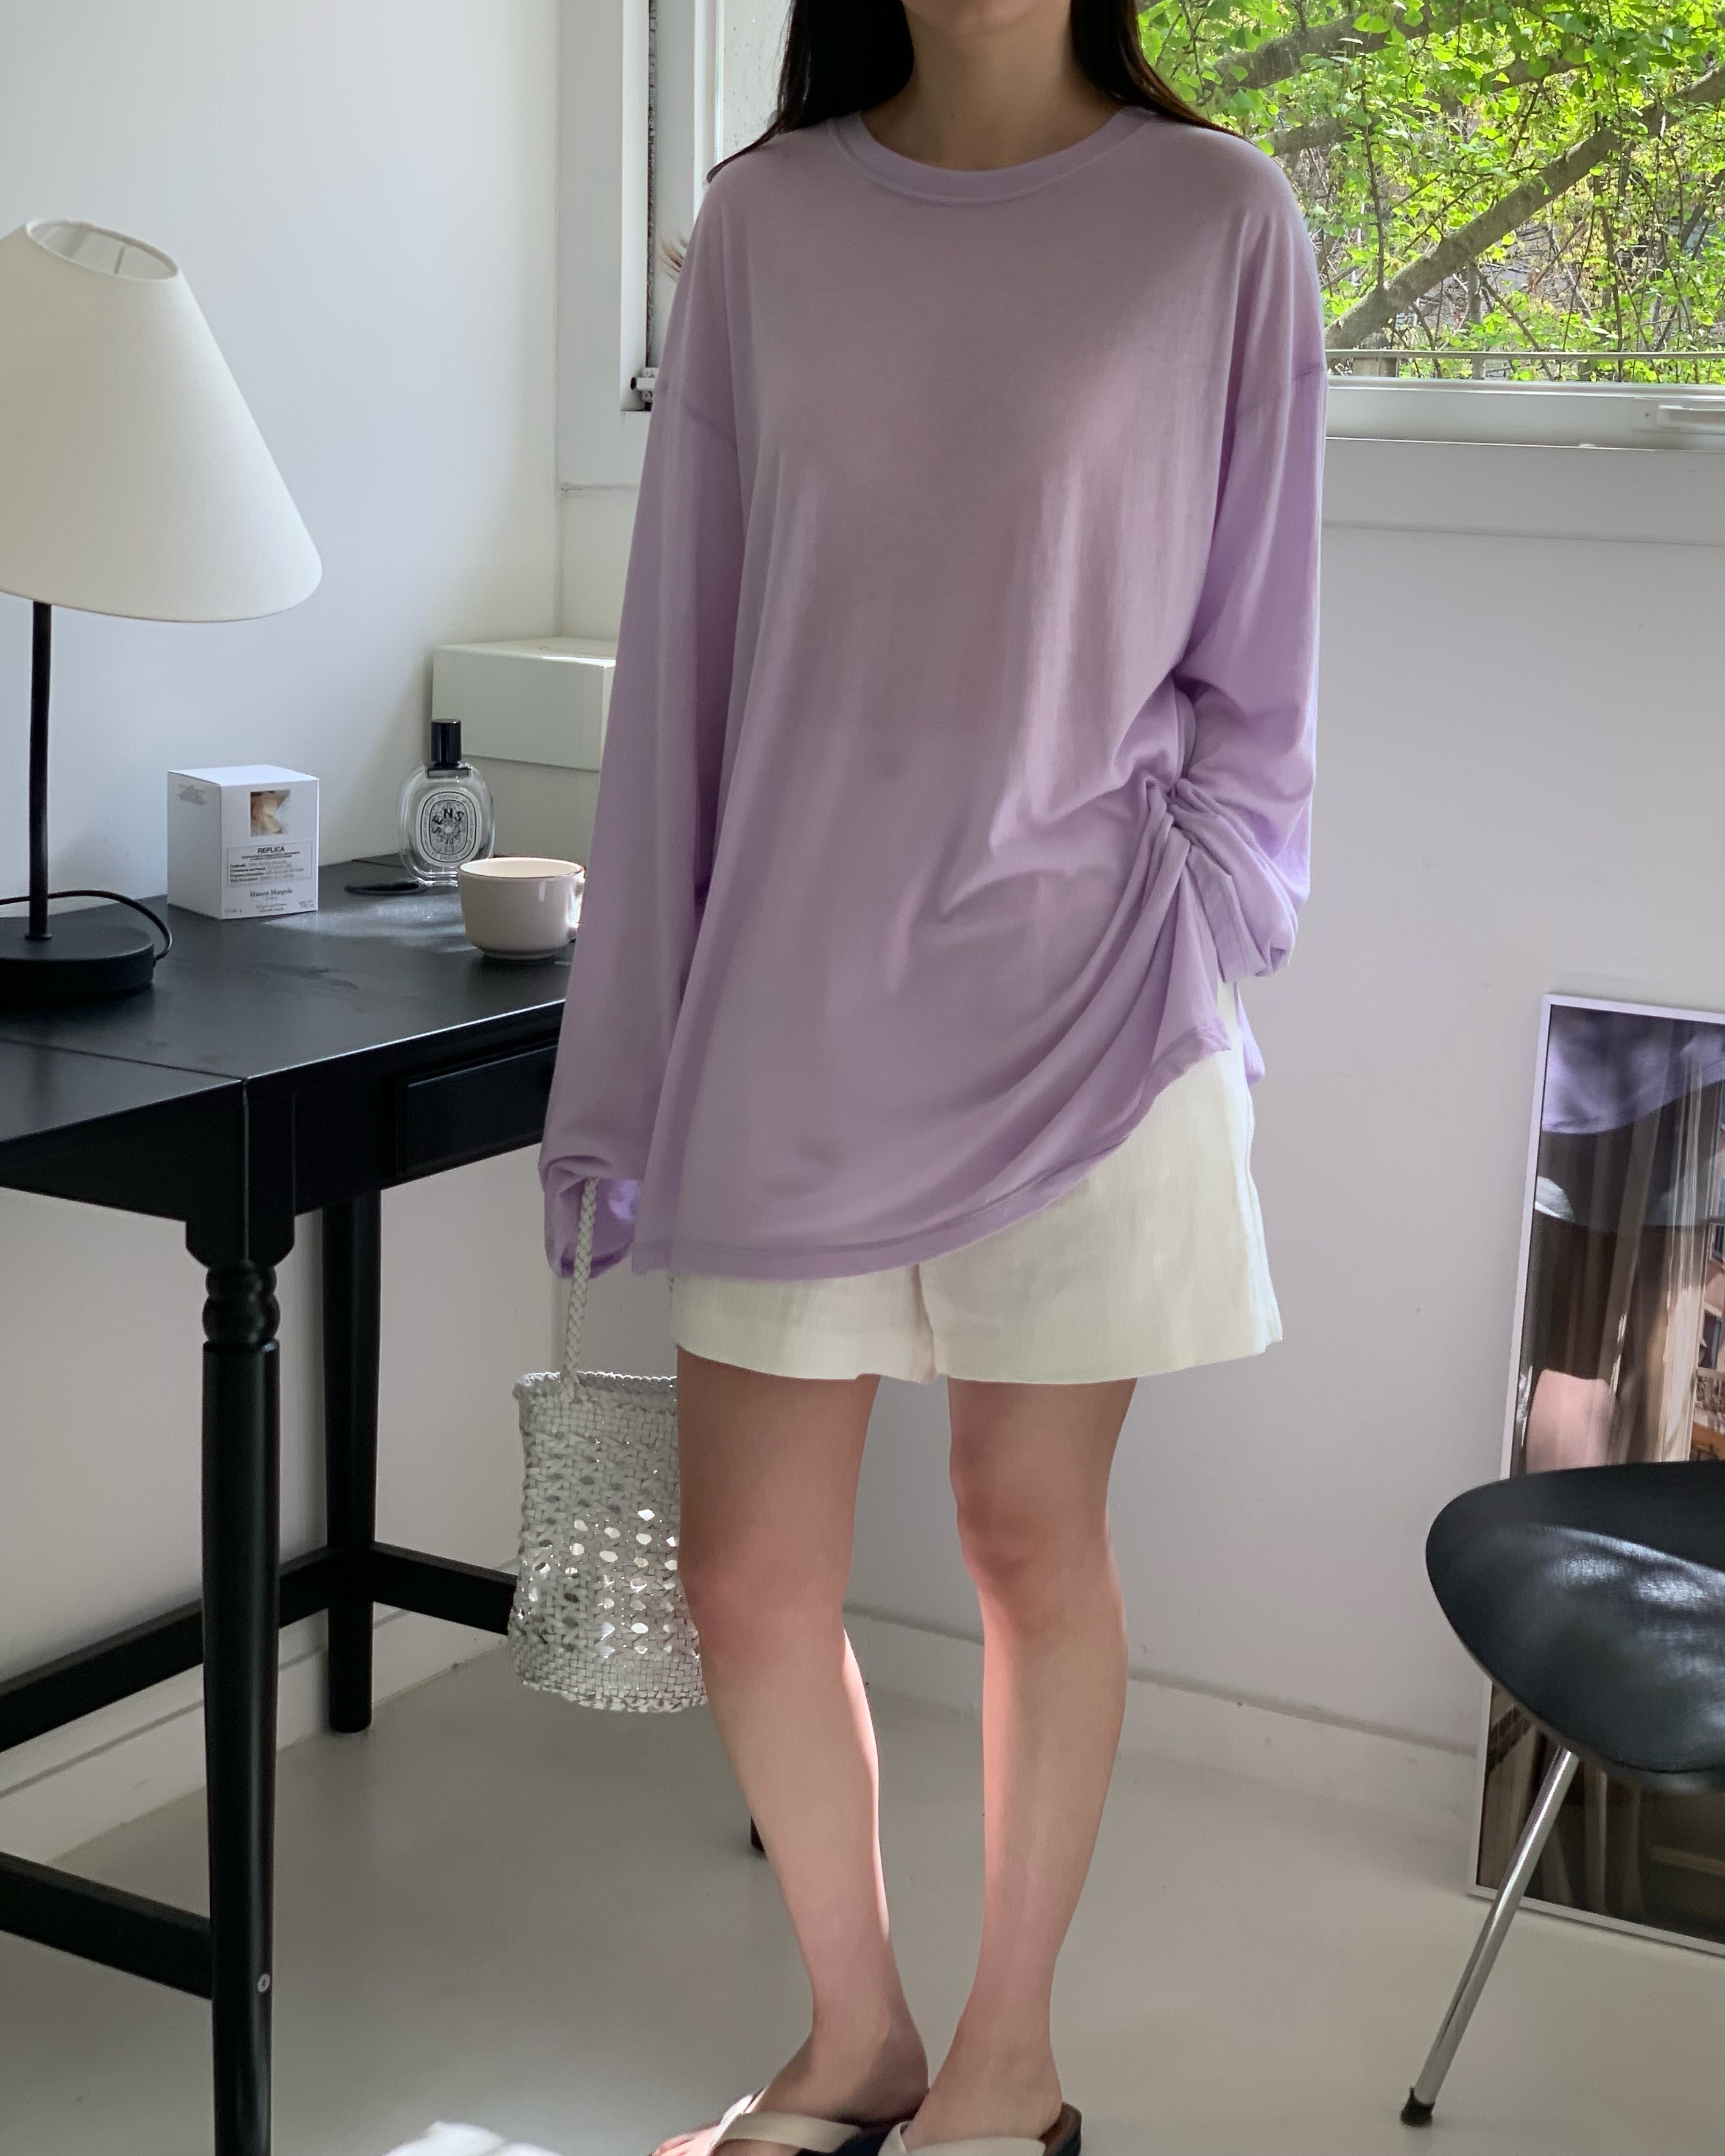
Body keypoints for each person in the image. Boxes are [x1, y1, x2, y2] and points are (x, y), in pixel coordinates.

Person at [538, 1, 1324, 2149]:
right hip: (794, 1004)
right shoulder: (765, 228)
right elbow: (678, 677)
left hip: (1090, 1015)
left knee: (1026, 1538)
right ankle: (856, 2035)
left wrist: (1192, 914)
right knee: (744, 1577)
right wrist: (626, 1060)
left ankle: (1007, 2066)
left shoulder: (1218, 220)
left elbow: (1261, 678)